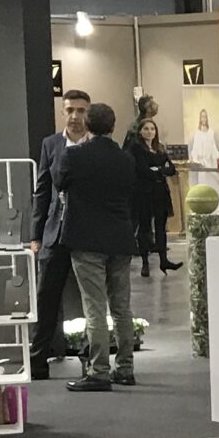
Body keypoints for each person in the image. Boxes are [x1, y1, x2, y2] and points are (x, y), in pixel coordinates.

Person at [56, 101, 140, 392]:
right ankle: (125, 368)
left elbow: (59, 182)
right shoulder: (126, 159)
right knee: (122, 307)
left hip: (86, 239)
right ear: (113, 126)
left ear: (87, 125)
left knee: (95, 307)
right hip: (120, 238)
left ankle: (98, 371)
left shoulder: (74, 155)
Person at [29, 88, 90, 379]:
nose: (75, 116)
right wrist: (36, 235)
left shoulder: (98, 145)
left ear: (88, 113)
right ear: (63, 112)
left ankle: (91, 362)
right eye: (70, 110)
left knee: (91, 301)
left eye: (81, 110)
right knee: (46, 299)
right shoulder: (50, 144)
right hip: (54, 234)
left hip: (88, 235)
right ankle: (38, 360)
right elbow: (42, 191)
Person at [125, 114, 181, 275]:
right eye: (146, 129)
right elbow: (143, 170)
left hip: (160, 192)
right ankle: (145, 262)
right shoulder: (136, 149)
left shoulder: (160, 148)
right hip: (143, 193)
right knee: (144, 227)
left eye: (152, 129)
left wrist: (158, 170)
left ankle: (164, 260)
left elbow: (171, 169)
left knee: (161, 227)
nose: (150, 132)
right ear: (140, 131)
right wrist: (160, 169)